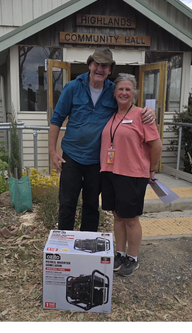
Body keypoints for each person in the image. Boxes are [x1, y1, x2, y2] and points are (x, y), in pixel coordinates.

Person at [49, 48, 156, 232]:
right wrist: (52, 151)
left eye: (104, 66)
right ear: (90, 65)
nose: (100, 69)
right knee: (67, 203)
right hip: (72, 157)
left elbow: (127, 105)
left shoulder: (112, 91)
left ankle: (87, 247)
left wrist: (148, 110)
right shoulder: (73, 87)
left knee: (91, 205)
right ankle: (64, 246)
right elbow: (56, 119)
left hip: (98, 160)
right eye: (96, 64)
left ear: (110, 70)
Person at [100, 73, 163, 276]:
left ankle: (133, 257)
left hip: (132, 174)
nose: (124, 92)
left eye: (128, 89)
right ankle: (120, 253)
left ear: (134, 93)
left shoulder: (142, 115)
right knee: (117, 216)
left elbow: (156, 145)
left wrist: (151, 169)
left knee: (130, 218)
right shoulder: (111, 115)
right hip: (110, 172)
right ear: (114, 93)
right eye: (120, 89)